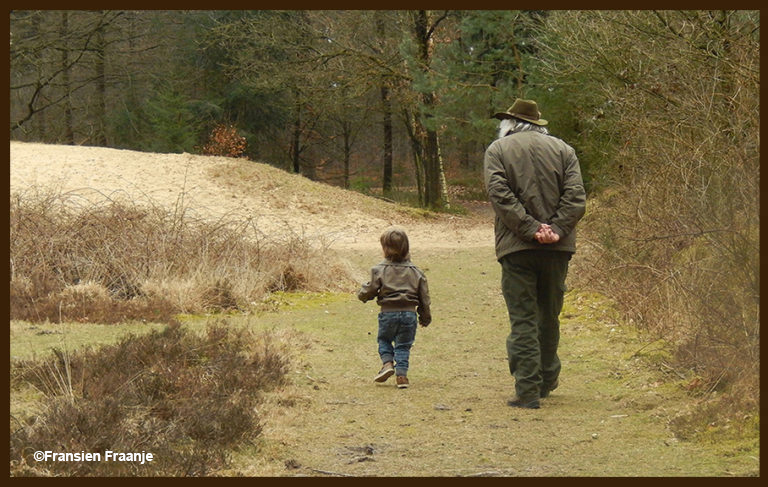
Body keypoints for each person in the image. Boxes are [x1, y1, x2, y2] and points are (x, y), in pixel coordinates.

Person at [483, 99, 586, 409]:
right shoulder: (564, 151)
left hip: (516, 248)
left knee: (523, 318)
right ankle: (546, 380)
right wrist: (554, 229)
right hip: (558, 247)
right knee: (549, 315)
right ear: (537, 123)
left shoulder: (497, 151)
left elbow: (500, 196)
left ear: (510, 124)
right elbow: (576, 197)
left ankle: (528, 389)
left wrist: (529, 228)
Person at [357, 226, 432, 389]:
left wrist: (362, 295)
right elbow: (424, 297)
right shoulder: (417, 272)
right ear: (406, 247)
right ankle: (402, 376)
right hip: (409, 315)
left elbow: (370, 289)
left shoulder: (379, 270)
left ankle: (387, 364)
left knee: (384, 340)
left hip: (387, 314)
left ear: (384, 248)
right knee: (403, 345)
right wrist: (425, 317)